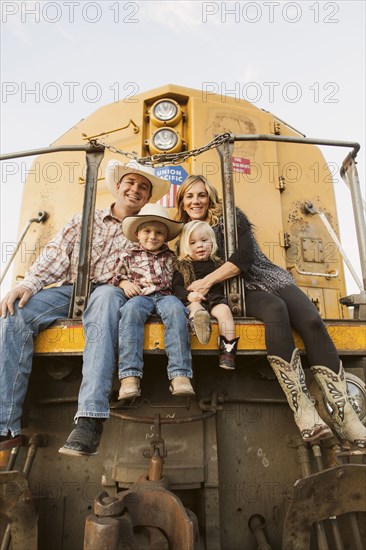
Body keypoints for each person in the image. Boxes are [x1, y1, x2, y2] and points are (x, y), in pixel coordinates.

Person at [175, 174, 366, 447]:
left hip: (263, 275)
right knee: (276, 310)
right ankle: (304, 412)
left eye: (201, 195)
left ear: (210, 197)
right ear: (182, 201)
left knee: (311, 320)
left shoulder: (231, 217)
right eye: (189, 196)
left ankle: (345, 415)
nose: (196, 201)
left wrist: (206, 281)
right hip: (234, 290)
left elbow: (244, 258)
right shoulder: (182, 232)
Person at [0, 159, 170, 456]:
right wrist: (28, 284)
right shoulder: (84, 219)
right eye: (130, 182)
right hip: (71, 289)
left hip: (110, 289)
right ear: (118, 187)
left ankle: (90, 419)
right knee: (14, 314)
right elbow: (55, 254)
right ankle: (6, 427)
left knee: (104, 305)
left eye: (143, 187)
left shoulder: (147, 230)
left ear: (148, 196)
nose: (136, 189)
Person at [110, 203, 194, 399]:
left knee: (177, 310)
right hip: (140, 296)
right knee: (130, 312)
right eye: (147, 231)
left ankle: (180, 374)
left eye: (158, 232)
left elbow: (180, 278)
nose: (152, 236)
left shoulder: (171, 256)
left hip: (165, 296)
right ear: (137, 233)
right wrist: (124, 284)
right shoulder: (128, 255)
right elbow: (114, 276)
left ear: (165, 236)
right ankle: (130, 376)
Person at [173, 220, 239, 370]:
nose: (200, 245)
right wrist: (188, 296)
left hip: (214, 298)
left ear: (212, 242)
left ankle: (228, 352)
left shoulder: (218, 264)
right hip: (193, 300)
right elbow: (176, 286)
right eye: (193, 243)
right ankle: (199, 325)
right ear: (185, 247)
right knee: (196, 308)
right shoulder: (182, 265)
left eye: (204, 240)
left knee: (225, 311)